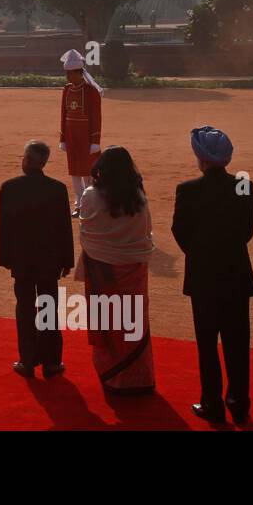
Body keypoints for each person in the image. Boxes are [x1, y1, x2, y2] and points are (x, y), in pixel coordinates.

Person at [171, 126, 253, 424]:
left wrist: (198, 254)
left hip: (203, 276)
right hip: (236, 273)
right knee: (238, 343)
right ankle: (240, 404)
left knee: (207, 345)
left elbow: (179, 231)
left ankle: (212, 403)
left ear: (201, 157)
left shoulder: (187, 189)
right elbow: (247, 230)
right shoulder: (245, 184)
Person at [77, 146, 155, 394]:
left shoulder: (90, 195)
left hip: (102, 270)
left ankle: (112, 378)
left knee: (107, 321)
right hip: (134, 269)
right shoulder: (139, 197)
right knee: (134, 322)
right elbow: (146, 233)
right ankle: (139, 378)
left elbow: (85, 231)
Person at [0, 140, 74, 378]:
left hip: (21, 259)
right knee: (49, 307)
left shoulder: (10, 187)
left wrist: (5, 257)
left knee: (25, 309)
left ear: (28, 161)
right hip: (50, 260)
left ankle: (27, 360)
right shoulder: (58, 189)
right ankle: (52, 362)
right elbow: (65, 228)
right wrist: (67, 260)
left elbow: (5, 228)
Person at [58, 49, 103, 217]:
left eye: (70, 73)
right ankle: (79, 205)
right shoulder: (67, 89)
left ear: (79, 72)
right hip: (71, 136)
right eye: (67, 73)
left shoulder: (91, 91)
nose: (67, 77)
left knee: (88, 172)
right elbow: (63, 114)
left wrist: (95, 140)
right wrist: (63, 137)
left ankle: (92, 204)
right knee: (74, 172)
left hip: (86, 137)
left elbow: (96, 117)